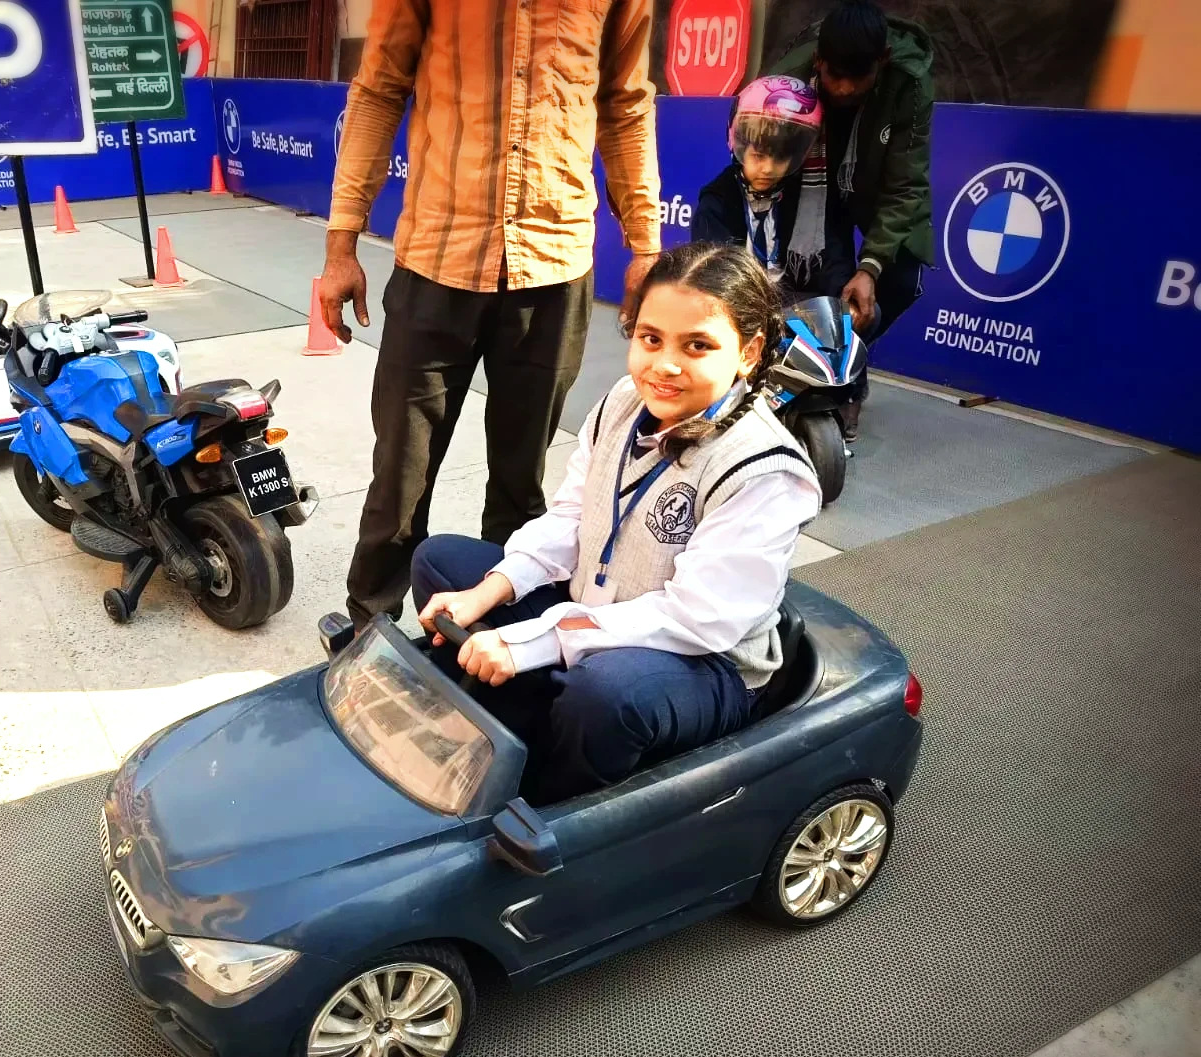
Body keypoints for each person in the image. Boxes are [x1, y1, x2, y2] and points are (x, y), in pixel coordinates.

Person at [409, 243, 823, 807]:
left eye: (697, 346)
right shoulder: (624, 401)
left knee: (606, 693)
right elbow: (570, 520)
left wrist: (534, 641)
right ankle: (525, 714)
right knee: (439, 562)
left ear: (748, 353)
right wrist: (488, 593)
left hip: (699, 660)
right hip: (594, 610)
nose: (665, 365)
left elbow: (698, 619)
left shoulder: (767, 470)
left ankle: (550, 801)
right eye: (651, 339)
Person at [321, 0, 662, 629]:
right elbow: (378, 89)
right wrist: (341, 244)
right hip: (437, 259)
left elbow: (625, 103)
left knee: (520, 484)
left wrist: (645, 244)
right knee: (400, 478)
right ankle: (370, 628)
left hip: (553, 265)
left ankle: (498, 637)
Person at [768, 0, 936, 440]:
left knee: (898, 282)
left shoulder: (909, 83)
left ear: (883, 61)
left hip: (873, 181)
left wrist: (871, 267)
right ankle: (804, 374)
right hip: (810, 180)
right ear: (818, 61)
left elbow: (905, 186)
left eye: (857, 77)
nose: (842, 89)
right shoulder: (788, 77)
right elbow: (752, 141)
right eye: (833, 75)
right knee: (820, 279)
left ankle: (847, 369)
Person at [691, 75, 857, 297]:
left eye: (780, 158)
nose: (768, 169)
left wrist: (842, 301)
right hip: (737, 306)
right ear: (738, 145)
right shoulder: (718, 201)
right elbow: (713, 277)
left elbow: (835, 267)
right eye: (758, 156)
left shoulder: (813, 200)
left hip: (797, 310)